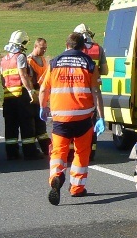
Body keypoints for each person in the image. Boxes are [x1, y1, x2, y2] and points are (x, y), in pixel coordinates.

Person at [39, 32, 104, 205]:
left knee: (58, 151)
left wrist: (43, 107)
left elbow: (44, 90)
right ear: (83, 47)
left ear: (66, 45)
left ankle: (56, 176)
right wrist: (101, 117)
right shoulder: (89, 63)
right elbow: (96, 92)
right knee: (82, 152)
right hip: (83, 117)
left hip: (60, 117)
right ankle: (77, 188)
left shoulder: (54, 63)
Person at [0, 30, 42, 160]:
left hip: (8, 97)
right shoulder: (20, 57)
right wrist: (31, 92)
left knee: (10, 126)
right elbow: (23, 75)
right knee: (27, 125)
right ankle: (30, 153)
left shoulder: (4, 60)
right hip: (21, 97)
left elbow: (2, 81)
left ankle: (12, 153)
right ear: (22, 43)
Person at [72, 23, 107, 160]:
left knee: (74, 121)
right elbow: (105, 70)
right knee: (90, 123)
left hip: (76, 89)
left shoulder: (73, 49)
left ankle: (73, 151)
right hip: (93, 90)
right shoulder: (98, 49)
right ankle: (90, 152)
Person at [26, 37, 51, 156]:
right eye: (42, 48)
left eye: (45, 48)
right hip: (35, 94)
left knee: (41, 122)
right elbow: (29, 79)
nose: (44, 50)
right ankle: (43, 147)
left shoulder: (43, 59)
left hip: (43, 93)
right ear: (35, 46)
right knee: (35, 122)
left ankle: (45, 147)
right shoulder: (29, 60)